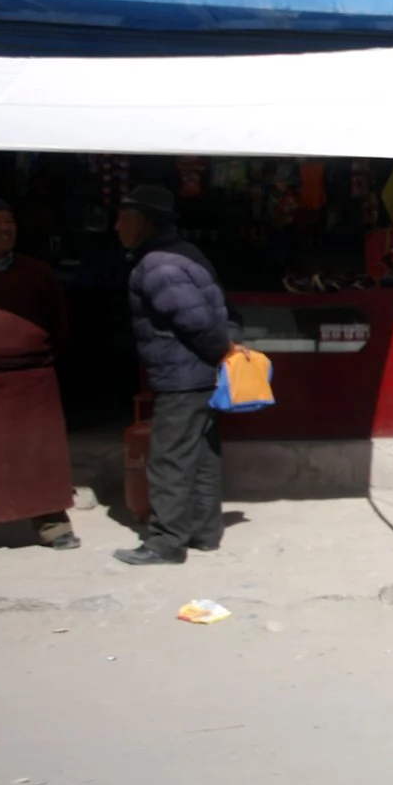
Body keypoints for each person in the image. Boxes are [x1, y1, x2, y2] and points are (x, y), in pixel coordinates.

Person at [112, 185, 233, 567]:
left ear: (143, 222)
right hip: (198, 373)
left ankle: (166, 543)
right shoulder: (180, 254)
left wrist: (219, 353)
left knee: (170, 459)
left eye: (122, 218)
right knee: (200, 454)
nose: (116, 227)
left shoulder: (160, 265)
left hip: (183, 375)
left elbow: (196, 321)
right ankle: (204, 532)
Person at [0, 193, 78, 553]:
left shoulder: (35, 273)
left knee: (38, 454)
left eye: (9, 221)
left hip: (29, 380)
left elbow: (60, 325)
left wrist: (28, 356)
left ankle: (51, 522)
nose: (6, 228)